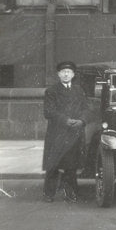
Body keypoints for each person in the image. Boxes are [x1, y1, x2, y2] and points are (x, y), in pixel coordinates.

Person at [42, 61, 89, 202]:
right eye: (63, 72)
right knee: (53, 164)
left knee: (71, 165)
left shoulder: (79, 90)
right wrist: (65, 120)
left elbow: (86, 108)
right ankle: (48, 193)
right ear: (58, 74)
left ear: (73, 74)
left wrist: (82, 121)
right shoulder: (51, 91)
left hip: (74, 132)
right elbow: (48, 111)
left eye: (69, 72)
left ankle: (71, 193)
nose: (66, 74)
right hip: (57, 132)